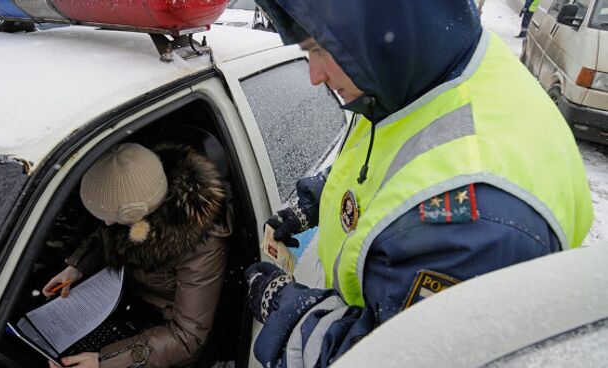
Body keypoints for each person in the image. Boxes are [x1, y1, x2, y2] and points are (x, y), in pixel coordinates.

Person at [244, 0, 594, 367]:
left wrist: (288, 311)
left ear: (381, 35)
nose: (314, 75)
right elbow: (393, 153)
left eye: (320, 49)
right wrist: (317, 201)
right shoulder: (414, 76)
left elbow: (386, 356)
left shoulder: (470, 224)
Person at [42, 142, 231, 368]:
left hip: (167, 330)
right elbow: (108, 238)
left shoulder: (202, 244)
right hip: (123, 304)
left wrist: (105, 362)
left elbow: (187, 338)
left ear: (137, 212)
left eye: (111, 216)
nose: (106, 222)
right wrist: (78, 266)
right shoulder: (136, 190)